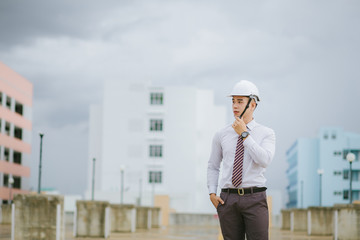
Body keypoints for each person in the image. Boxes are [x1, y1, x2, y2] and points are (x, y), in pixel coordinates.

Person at [207, 80, 276, 240]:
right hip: (228, 199)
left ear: (252, 104)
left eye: (240, 101)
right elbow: (213, 165)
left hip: (255, 198)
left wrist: (245, 135)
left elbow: (264, 159)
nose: (235, 106)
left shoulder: (267, 133)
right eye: (233, 101)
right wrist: (212, 192)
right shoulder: (221, 134)